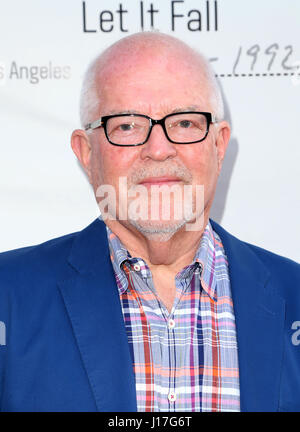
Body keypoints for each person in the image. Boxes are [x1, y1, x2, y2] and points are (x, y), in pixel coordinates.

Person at [0, 32, 299, 413]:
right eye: (127, 126)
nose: (159, 149)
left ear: (219, 146)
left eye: (186, 123)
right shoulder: (6, 296)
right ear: (86, 153)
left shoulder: (295, 297)